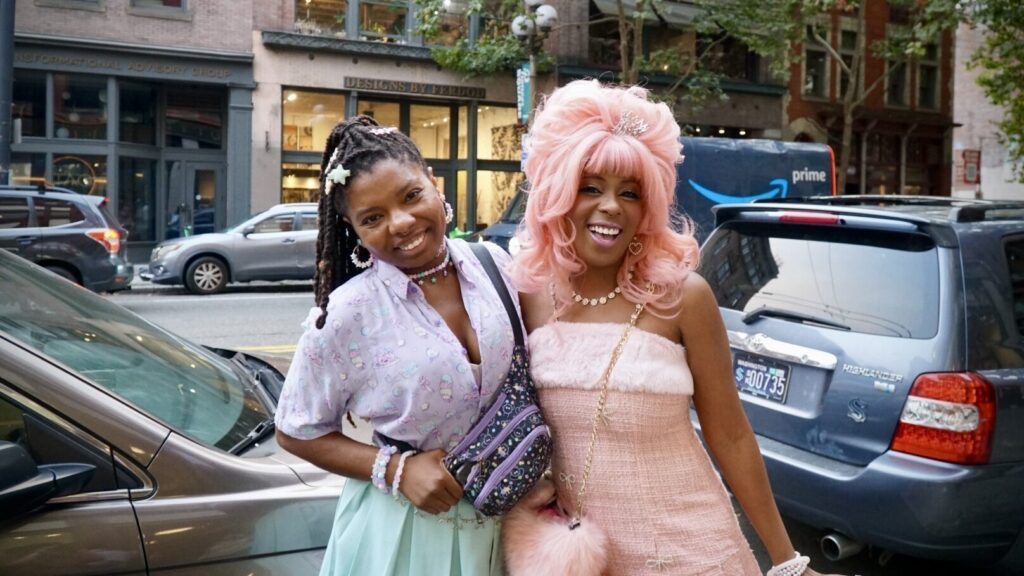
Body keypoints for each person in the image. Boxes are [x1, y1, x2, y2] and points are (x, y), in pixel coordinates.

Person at [510, 80, 841, 576]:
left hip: (690, 553)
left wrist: (787, 561)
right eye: (590, 187)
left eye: (630, 193)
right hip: (576, 559)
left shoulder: (683, 298)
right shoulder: (526, 294)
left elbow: (730, 435)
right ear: (558, 192)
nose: (610, 207)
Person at [275, 115, 519, 576]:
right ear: (353, 228)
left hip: (509, 524)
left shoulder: (496, 265)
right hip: (405, 536)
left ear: (433, 181)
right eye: (373, 218)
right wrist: (395, 470)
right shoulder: (348, 313)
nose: (402, 223)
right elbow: (295, 428)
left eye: (411, 196)